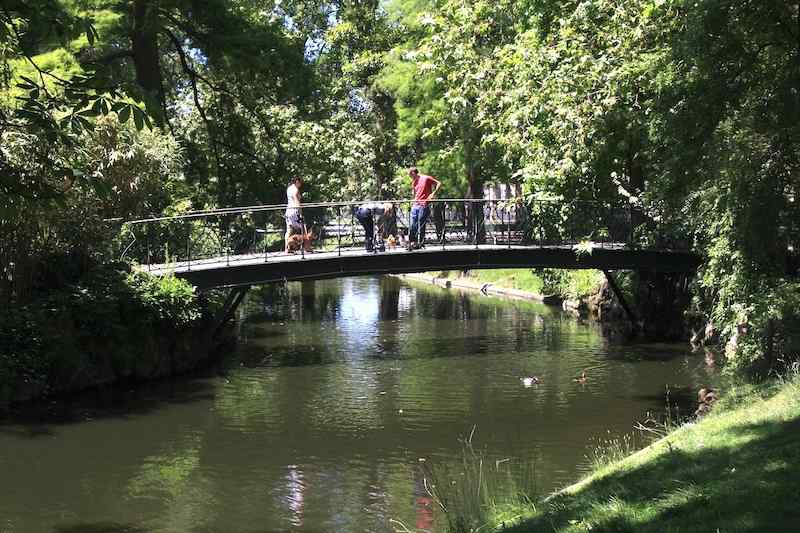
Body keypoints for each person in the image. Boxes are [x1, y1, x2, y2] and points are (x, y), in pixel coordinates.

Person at [407, 167, 441, 250]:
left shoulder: (426, 178)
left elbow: (439, 183)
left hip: (424, 204)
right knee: (412, 224)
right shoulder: (414, 182)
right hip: (415, 205)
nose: (410, 176)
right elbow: (414, 193)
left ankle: (421, 243)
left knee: (421, 224)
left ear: (414, 173)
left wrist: (433, 194)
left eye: (410, 174)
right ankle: (412, 243)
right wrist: (412, 201)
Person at [284, 177, 304, 253]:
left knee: (289, 230)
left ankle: (287, 248)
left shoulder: (289, 189)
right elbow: (297, 202)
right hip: (294, 211)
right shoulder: (295, 190)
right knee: (302, 227)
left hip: (288, 210)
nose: (301, 185)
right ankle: (304, 246)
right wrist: (301, 213)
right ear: (297, 182)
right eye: (300, 183)